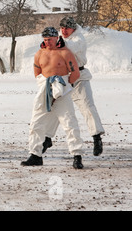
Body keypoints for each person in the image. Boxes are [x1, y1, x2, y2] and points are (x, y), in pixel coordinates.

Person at [21, 27, 85, 169]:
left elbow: (75, 73)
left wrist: (64, 87)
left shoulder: (66, 53)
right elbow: (37, 73)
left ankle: (77, 155)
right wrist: (47, 87)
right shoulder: (39, 54)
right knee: (36, 123)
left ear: (56, 38)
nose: (47, 42)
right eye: (45, 40)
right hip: (44, 90)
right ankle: (35, 155)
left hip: (63, 91)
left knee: (69, 123)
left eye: (50, 39)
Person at [42, 17, 104, 156]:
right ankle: (47, 138)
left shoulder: (78, 39)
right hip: (64, 78)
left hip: (80, 77)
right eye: (62, 28)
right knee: (56, 108)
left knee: (87, 107)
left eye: (67, 28)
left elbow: (68, 46)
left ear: (73, 29)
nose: (64, 31)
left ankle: (96, 137)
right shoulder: (60, 37)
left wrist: (54, 42)